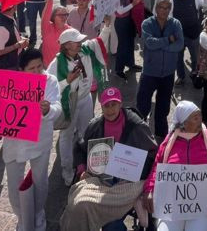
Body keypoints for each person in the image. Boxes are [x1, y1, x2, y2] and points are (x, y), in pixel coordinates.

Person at [62, 87, 158, 230]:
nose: (110, 109)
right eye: (106, 105)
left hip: (130, 182)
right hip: (101, 179)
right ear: (101, 106)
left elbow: (154, 153)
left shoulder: (136, 125)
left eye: (114, 104)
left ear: (120, 104)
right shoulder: (95, 125)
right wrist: (82, 170)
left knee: (112, 226)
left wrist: (139, 172)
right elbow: (80, 148)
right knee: (77, 205)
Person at [143, 101, 207, 231]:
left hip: (203, 205)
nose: (200, 120)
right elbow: (157, 166)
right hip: (172, 203)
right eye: (195, 117)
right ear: (184, 122)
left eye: (200, 116)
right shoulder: (170, 141)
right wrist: (149, 189)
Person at [2, 48, 60, 231]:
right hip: (14, 141)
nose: (37, 72)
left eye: (39, 67)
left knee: (40, 180)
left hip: (39, 139)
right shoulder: (9, 83)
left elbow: (57, 106)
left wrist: (48, 110)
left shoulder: (50, 81)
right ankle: (22, 218)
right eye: (31, 68)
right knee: (13, 184)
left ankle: (38, 215)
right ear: (21, 70)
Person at [47, 28, 108, 186]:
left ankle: (89, 167)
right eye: (77, 42)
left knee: (87, 131)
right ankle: (67, 170)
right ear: (66, 45)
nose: (81, 43)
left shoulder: (85, 50)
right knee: (67, 136)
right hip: (69, 102)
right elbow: (48, 88)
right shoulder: (56, 64)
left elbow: (100, 40)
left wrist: (107, 25)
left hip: (85, 98)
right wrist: (66, 81)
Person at [137, 0, 184, 139]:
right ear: (156, 9)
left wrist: (161, 44)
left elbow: (180, 45)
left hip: (168, 74)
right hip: (150, 73)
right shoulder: (147, 23)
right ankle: (140, 133)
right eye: (161, 7)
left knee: (163, 108)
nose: (163, 10)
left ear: (170, 10)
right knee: (142, 106)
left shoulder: (175, 23)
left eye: (166, 8)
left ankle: (161, 136)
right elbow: (150, 43)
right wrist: (169, 40)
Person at [170, 0, 207, 85]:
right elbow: (169, 17)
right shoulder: (173, 0)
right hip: (179, 35)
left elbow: (206, 3)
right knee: (178, 58)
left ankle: (195, 73)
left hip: (194, 34)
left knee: (195, 57)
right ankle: (181, 76)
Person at [113, 0, 143, 79]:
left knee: (130, 43)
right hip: (122, 22)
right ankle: (119, 69)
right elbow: (120, 11)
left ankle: (131, 64)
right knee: (122, 46)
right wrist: (133, 4)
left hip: (131, 20)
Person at [0, 4, 29, 71]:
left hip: (12, 63)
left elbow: (9, 36)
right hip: (6, 67)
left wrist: (20, 38)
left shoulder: (8, 18)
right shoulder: (1, 27)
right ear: (15, 7)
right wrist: (17, 45)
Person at [40, 0, 72, 66]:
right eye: (61, 15)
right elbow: (45, 17)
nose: (64, 17)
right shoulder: (47, 28)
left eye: (66, 15)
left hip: (63, 68)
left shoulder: (70, 30)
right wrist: (50, 1)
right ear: (53, 16)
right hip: (48, 67)